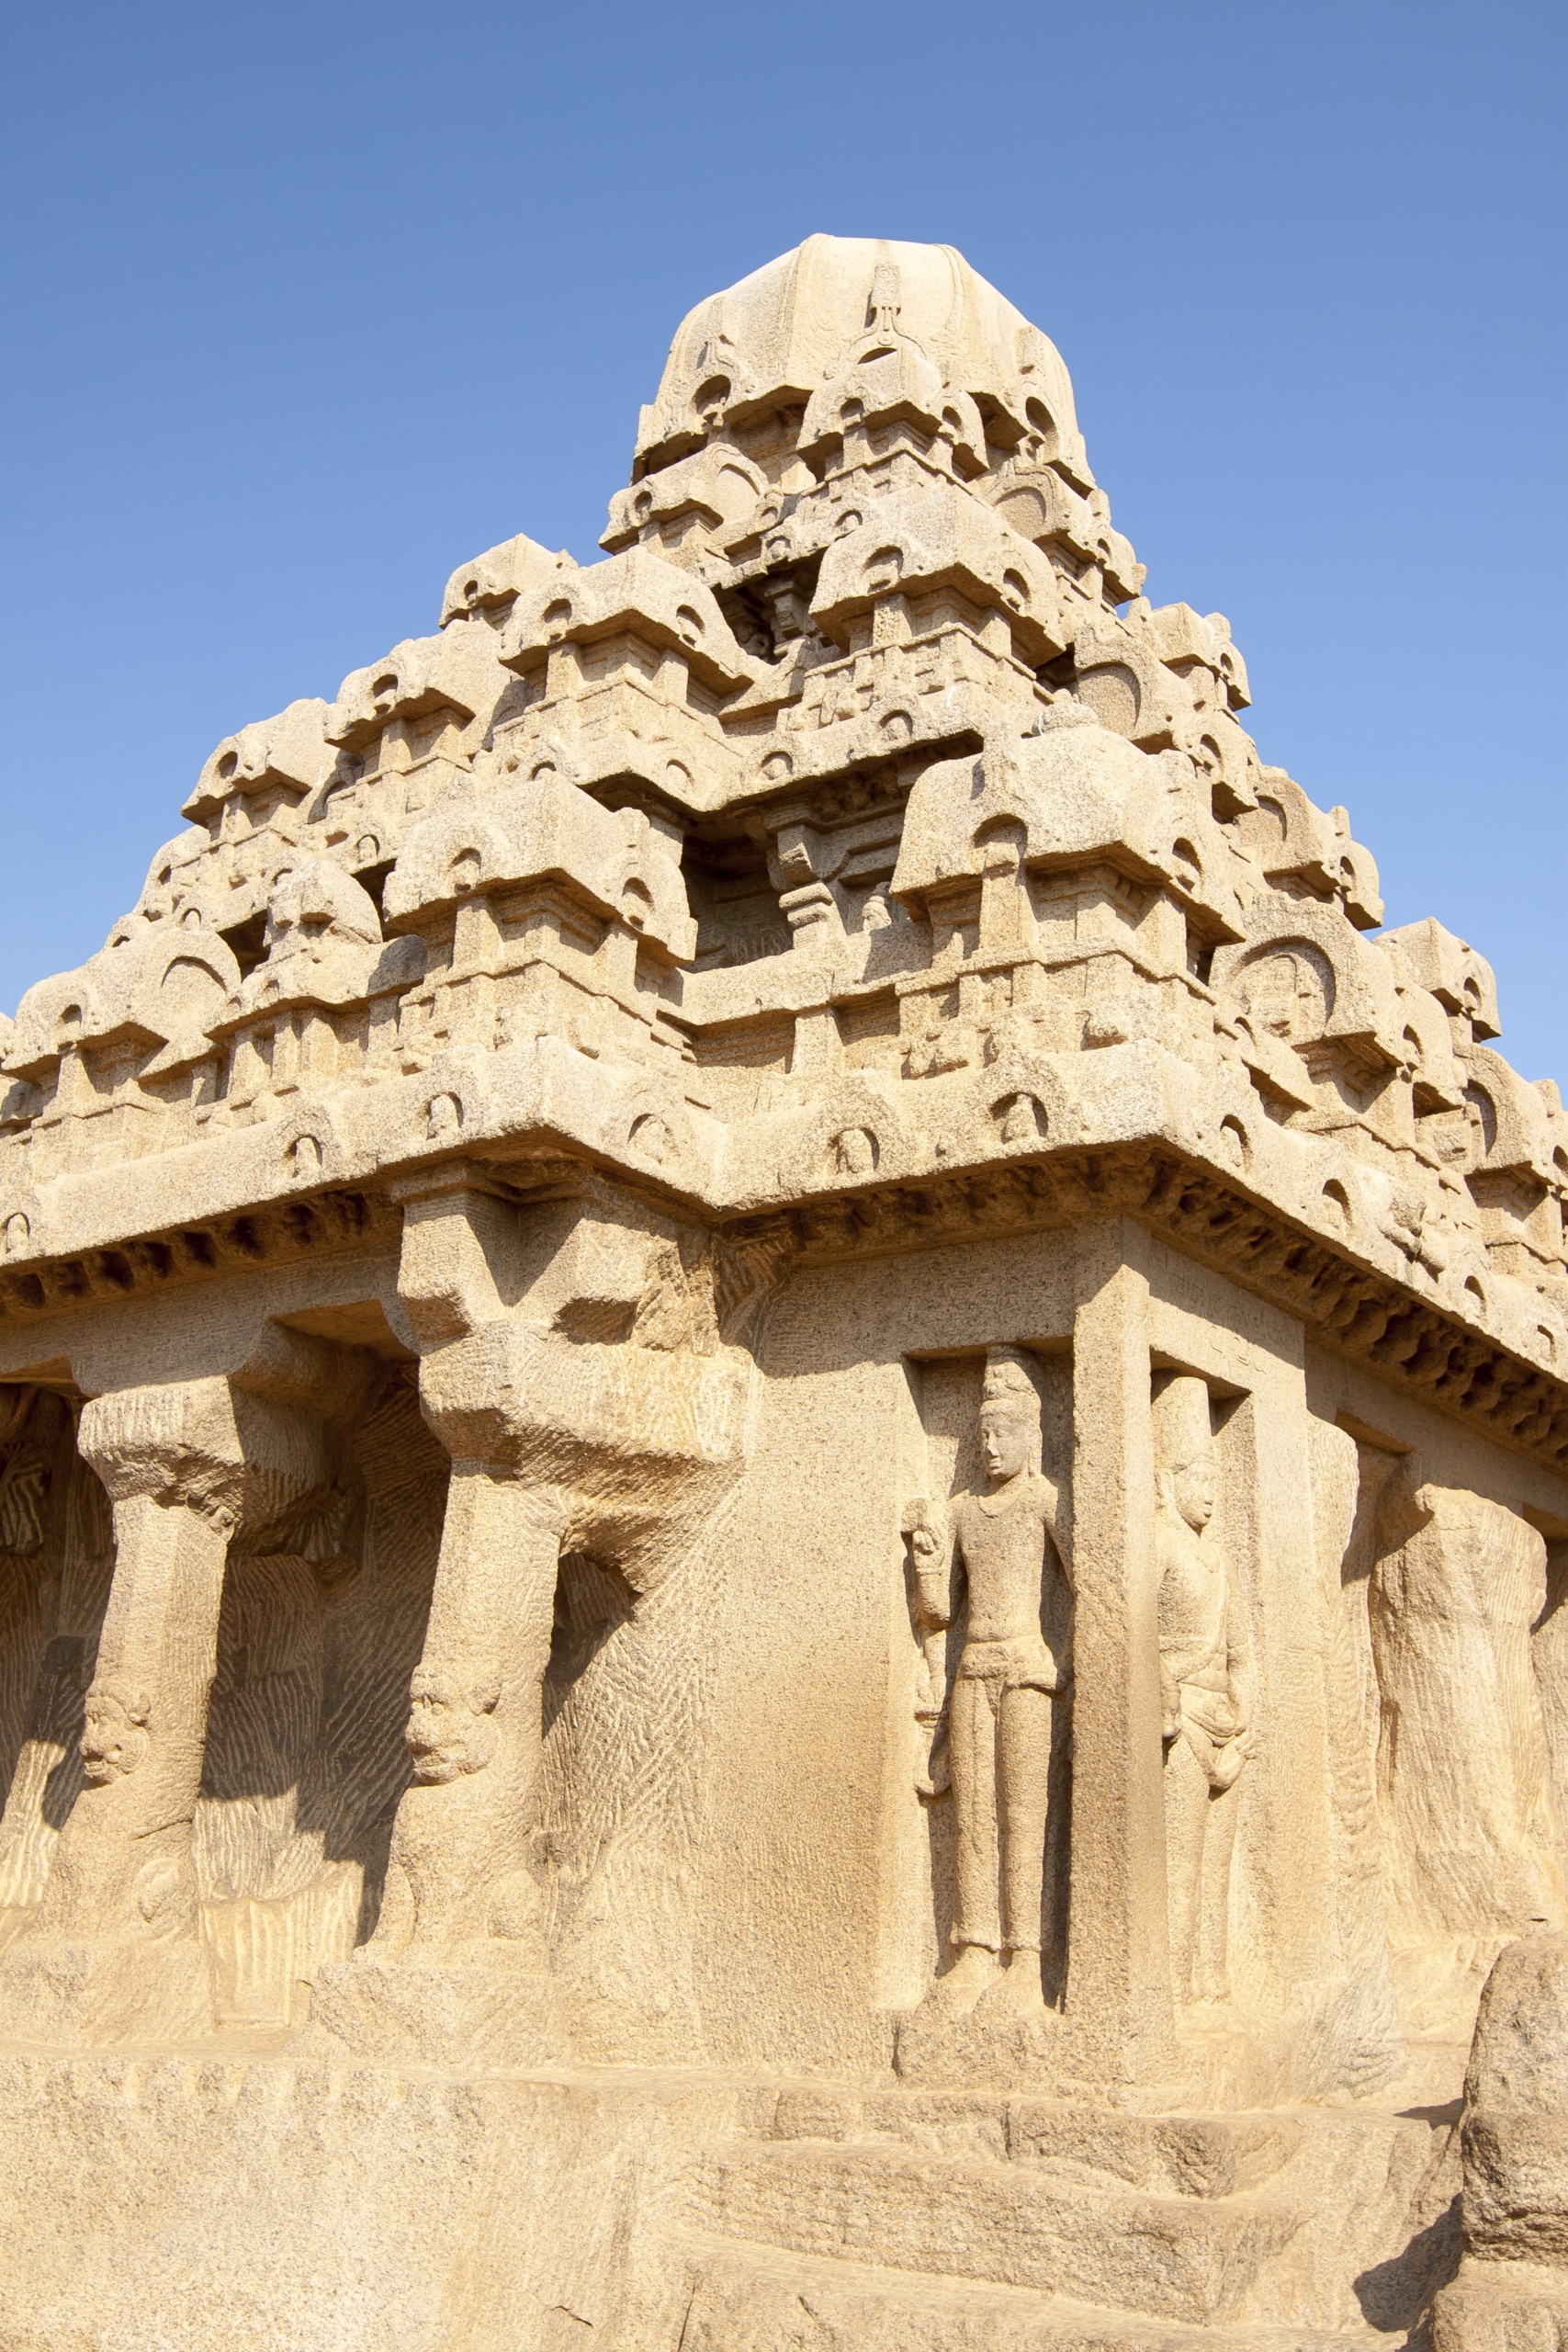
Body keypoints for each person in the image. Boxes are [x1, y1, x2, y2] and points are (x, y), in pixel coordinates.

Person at [913, 1348, 1072, 2017]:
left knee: (1023, 1814)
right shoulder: (958, 1511)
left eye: (1001, 1432)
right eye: (980, 1433)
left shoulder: (1045, 1501)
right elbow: (939, 1613)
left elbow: (1090, 1592)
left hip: (1026, 1672)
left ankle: (1026, 1959)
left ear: (1030, 1437)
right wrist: (925, 1560)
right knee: (973, 1817)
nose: (988, 1445)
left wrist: (1056, 1662)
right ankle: (975, 1948)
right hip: (973, 1672)